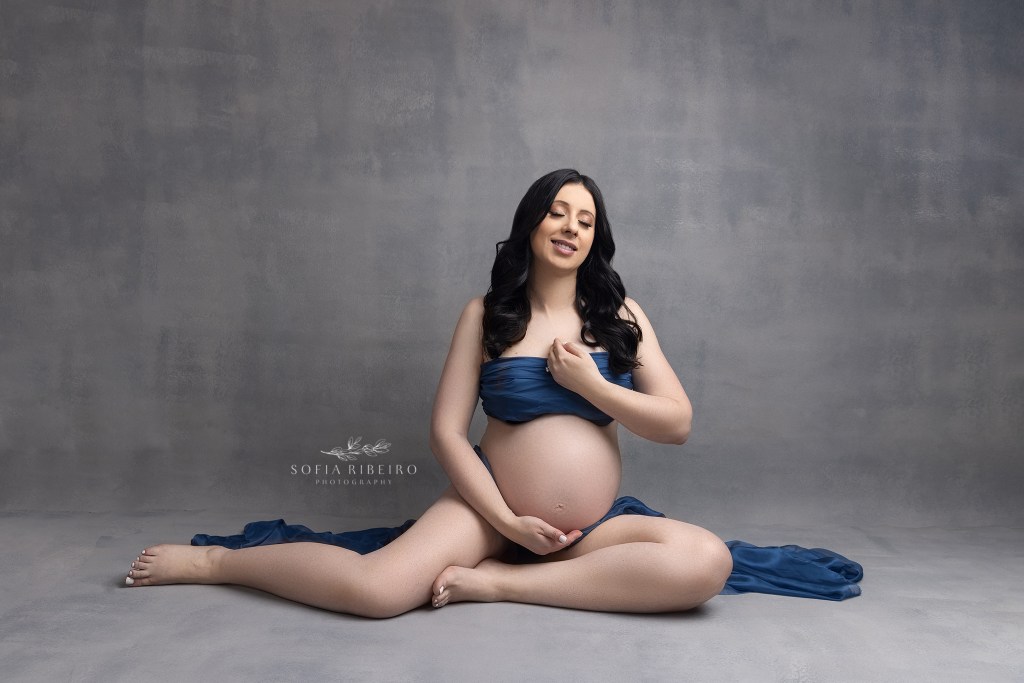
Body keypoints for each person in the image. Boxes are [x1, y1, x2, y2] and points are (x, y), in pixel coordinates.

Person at [123, 169, 861, 615]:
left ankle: (499, 588)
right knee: (378, 592)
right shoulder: (486, 314)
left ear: (597, 238)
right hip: (488, 515)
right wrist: (507, 519)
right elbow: (447, 431)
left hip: (590, 530)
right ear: (531, 221)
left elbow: (676, 423)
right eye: (557, 212)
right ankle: (219, 565)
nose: (570, 226)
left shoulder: (622, 316)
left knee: (706, 561)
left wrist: (588, 384)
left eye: (586, 219)